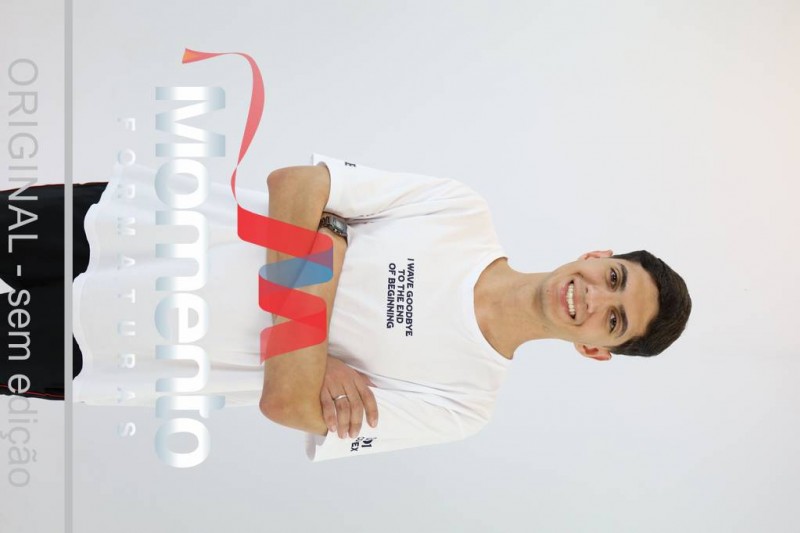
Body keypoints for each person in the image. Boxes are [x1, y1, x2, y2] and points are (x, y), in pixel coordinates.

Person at [1, 154, 691, 461]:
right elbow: (295, 183)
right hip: (130, 222)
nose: (592, 296)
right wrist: (312, 348)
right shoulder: (459, 210)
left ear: (596, 349)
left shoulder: (463, 404)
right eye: (613, 277)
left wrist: (328, 240)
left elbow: (285, 404)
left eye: (613, 318)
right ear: (597, 254)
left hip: (117, 345)